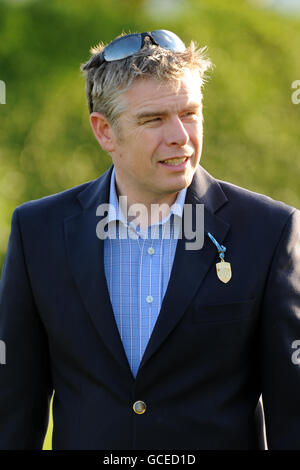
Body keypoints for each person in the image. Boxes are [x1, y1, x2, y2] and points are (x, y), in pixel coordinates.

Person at [0, 29, 299, 451]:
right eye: (154, 119)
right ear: (105, 131)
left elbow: (294, 417)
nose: (180, 135)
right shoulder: (38, 233)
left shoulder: (269, 231)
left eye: (190, 113)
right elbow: (12, 410)